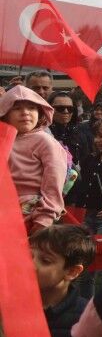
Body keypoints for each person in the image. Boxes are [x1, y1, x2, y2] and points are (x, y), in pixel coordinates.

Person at [2, 84, 67, 232]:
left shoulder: (45, 141)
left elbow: (53, 183)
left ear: (40, 112)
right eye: (16, 108)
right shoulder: (3, 140)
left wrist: (44, 220)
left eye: (31, 108)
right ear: (4, 113)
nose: (25, 113)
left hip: (32, 212)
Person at [31, 224, 95, 337]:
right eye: (30, 255)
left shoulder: (86, 319)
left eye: (45, 261)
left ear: (72, 271)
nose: (31, 264)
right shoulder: (10, 305)